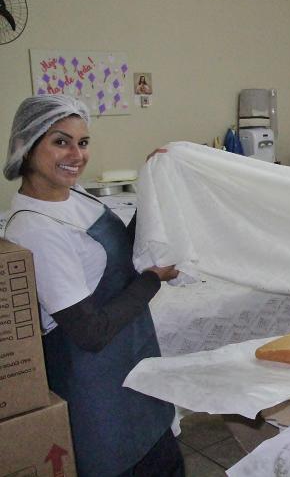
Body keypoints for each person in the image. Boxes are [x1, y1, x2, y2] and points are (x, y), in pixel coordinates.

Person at [3, 95, 184, 477]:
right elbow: (90, 331)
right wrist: (153, 279)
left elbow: (122, 254)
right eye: (60, 141)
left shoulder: (76, 197)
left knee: (162, 459)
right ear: (28, 143)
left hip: (133, 363)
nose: (76, 154)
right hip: (98, 389)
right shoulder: (35, 227)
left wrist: (154, 181)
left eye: (83, 142)